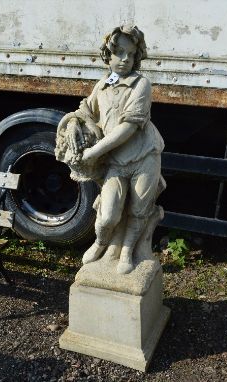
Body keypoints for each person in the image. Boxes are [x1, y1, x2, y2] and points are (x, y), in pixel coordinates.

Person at [56, 25, 164, 274]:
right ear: (108, 55)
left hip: (144, 156)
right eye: (119, 53)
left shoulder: (141, 84)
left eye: (131, 54)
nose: (125, 59)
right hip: (116, 161)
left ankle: (127, 251)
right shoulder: (104, 84)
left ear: (138, 56)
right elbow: (85, 110)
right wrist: (73, 122)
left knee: (139, 209)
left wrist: (93, 153)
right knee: (108, 215)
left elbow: (127, 128)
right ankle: (101, 242)